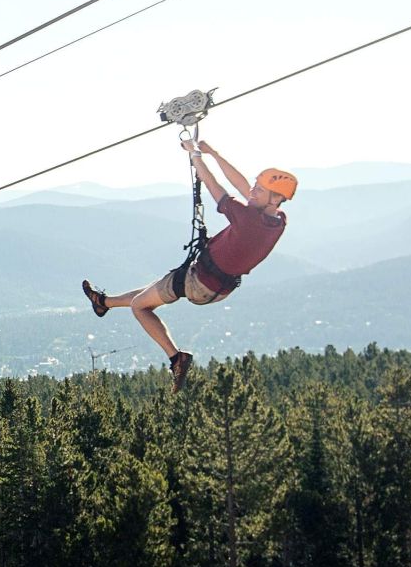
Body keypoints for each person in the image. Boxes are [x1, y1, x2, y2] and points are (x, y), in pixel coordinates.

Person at [80, 139, 296, 392]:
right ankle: (103, 303)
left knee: (140, 307)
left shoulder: (249, 219)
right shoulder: (277, 219)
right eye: (256, 187)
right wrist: (214, 152)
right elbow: (242, 185)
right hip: (217, 285)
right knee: (151, 291)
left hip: (199, 282)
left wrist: (195, 156)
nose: (253, 191)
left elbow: (215, 187)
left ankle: (176, 358)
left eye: (260, 190)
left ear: (275, 198)